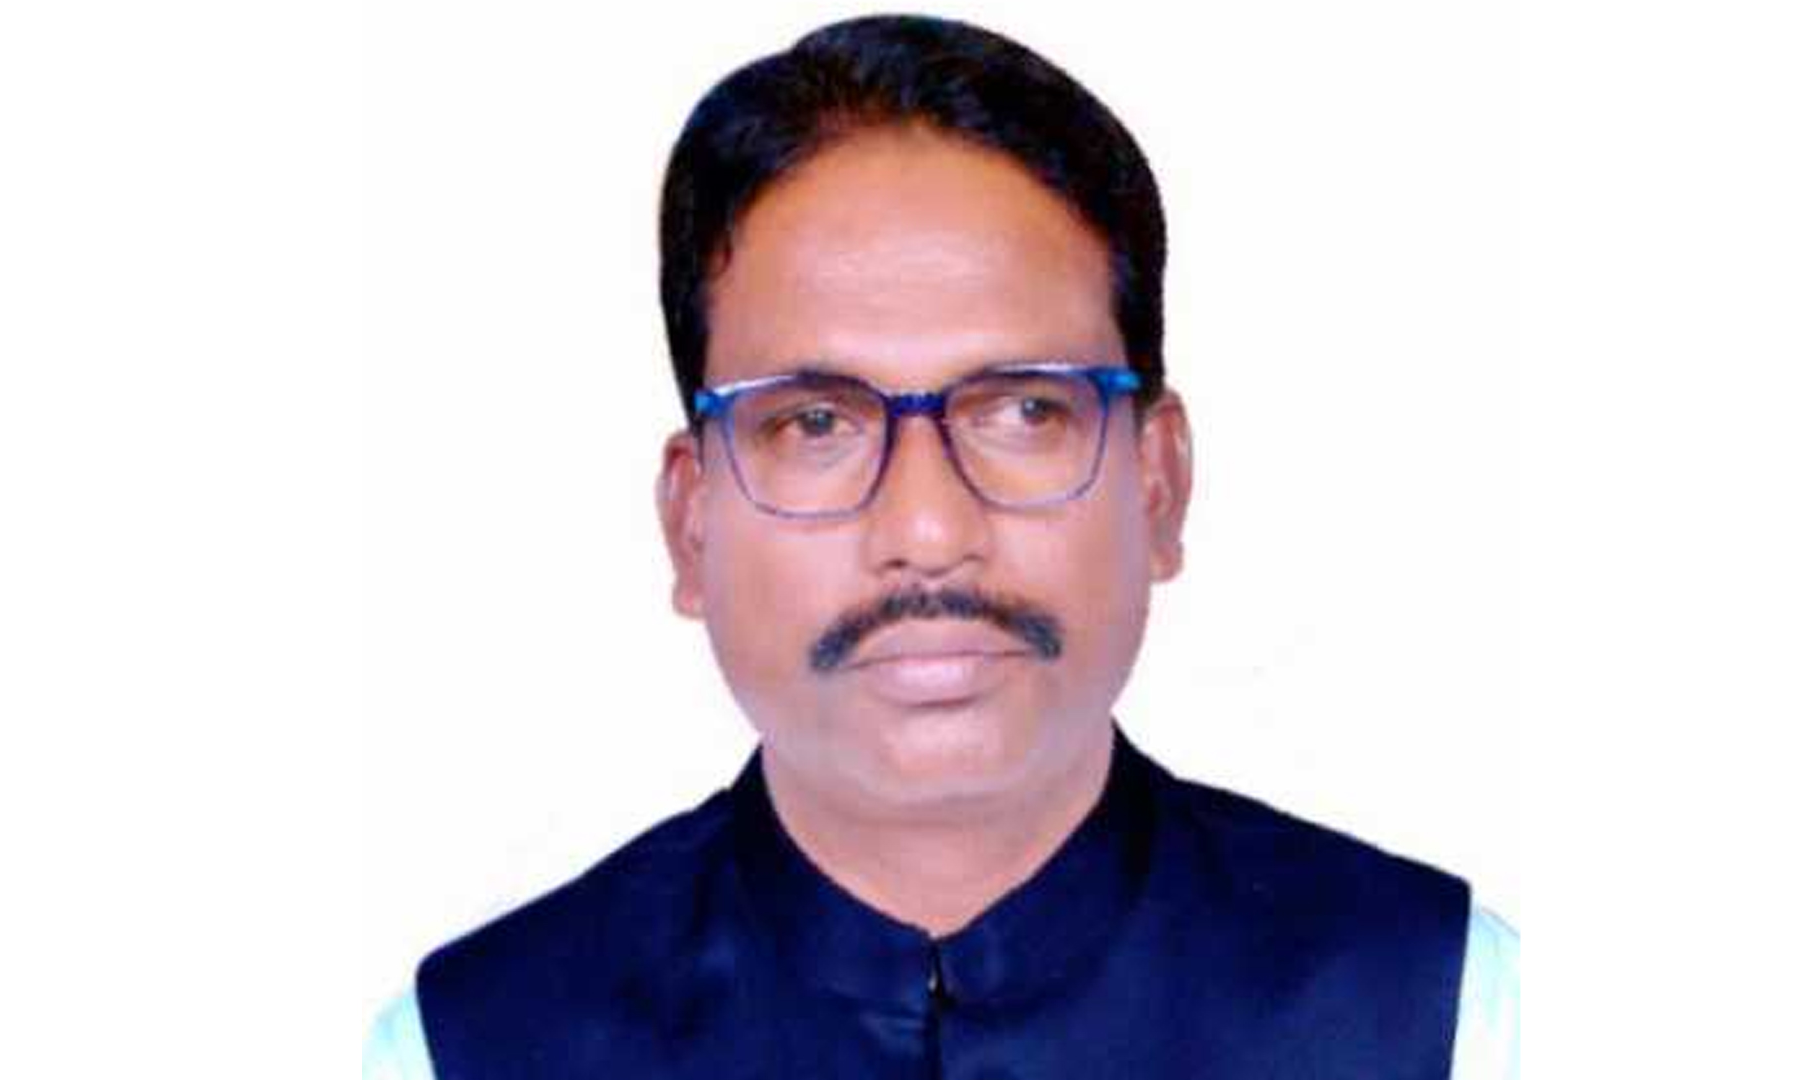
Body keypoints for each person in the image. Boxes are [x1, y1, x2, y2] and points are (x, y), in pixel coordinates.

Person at [366, 14, 1518, 1079]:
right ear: (690, 519)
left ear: (1160, 484)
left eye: (1023, 410)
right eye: (815, 425)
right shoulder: (465, 1048)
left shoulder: (1455, 1014)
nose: (927, 533)